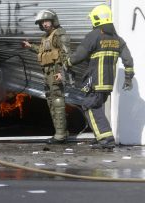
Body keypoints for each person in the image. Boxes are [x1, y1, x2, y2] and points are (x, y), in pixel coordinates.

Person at [66, 4, 134, 149]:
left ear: (96, 19)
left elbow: (79, 55)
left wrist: (68, 62)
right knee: (96, 107)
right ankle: (101, 137)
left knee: (89, 106)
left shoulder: (94, 35)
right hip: (108, 83)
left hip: (96, 81)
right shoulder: (117, 38)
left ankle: (106, 139)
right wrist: (128, 77)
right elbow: (128, 59)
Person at [22, 9, 71, 144]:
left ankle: (60, 135)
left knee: (57, 101)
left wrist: (62, 72)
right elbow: (43, 51)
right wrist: (30, 46)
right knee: (51, 101)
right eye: (42, 22)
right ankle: (61, 132)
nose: (44, 24)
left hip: (56, 72)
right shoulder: (46, 38)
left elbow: (66, 55)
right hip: (47, 73)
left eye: (46, 21)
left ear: (53, 20)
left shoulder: (59, 34)